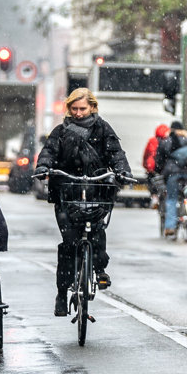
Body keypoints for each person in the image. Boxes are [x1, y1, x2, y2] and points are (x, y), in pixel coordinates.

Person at [34, 88, 131, 316]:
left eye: (82, 108)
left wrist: (122, 171)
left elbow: (116, 153)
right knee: (69, 243)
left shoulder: (103, 129)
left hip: (96, 191)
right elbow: (49, 151)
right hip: (67, 193)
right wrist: (44, 167)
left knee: (97, 231)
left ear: (93, 108)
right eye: (74, 109)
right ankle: (61, 292)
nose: (78, 113)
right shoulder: (60, 131)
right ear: (69, 109)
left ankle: (99, 269)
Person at [154, 120, 187, 237]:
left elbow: (159, 161)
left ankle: (170, 226)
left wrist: (160, 171)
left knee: (172, 199)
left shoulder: (166, 142)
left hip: (172, 175)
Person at [142, 124, 169, 206]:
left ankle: (154, 197)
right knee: (163, 183)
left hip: (151, 167)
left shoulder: (152, 140)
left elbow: (146, 154)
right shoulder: (167, 141)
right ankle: (163, 197)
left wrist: (145, 165)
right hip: (162, 168)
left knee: (152, 182)